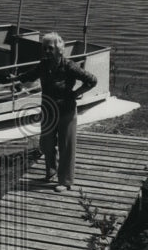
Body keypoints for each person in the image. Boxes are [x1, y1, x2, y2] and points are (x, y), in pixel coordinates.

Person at [15, 32, 98, 193]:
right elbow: (30, 75)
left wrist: (76, 93)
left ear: (60, 49)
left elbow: (92, 80)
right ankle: (51, 171)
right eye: (44, 48)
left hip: (66, 110)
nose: (46, 51)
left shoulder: (69, 66)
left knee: (65, 146)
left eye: (50, 48)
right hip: (47, 109)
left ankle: (65, 181)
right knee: (46, 144)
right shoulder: (44, 64)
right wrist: (17, 79)